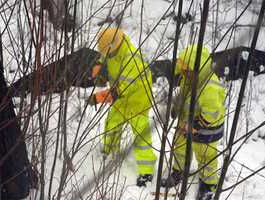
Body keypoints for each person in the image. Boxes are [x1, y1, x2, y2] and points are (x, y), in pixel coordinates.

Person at [88, 27, 157, 187]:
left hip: (138, 100)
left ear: (114, 47)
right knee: (112, 123)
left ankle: (147, 172)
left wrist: (98, 97)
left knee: (141, 136)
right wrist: (98, 64)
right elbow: (105, 54)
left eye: (107, 52)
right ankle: (109, 152)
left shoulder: (132, 59)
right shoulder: (115, 46)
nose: (106, 55)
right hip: (122, 97)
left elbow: (121, 89)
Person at [161, 45, 226, 200]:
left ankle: (208, 186)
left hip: (206, 128)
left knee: (206, 156)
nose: (184, 73)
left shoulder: (209, 86)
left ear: (198, 68)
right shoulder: (188, 79)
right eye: (183, 69)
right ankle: (179, 171)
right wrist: (176, 107)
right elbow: (182, 94)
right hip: (187, 122)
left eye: (188, 69)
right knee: (180, 147)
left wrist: (196, 126)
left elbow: (212, 113)